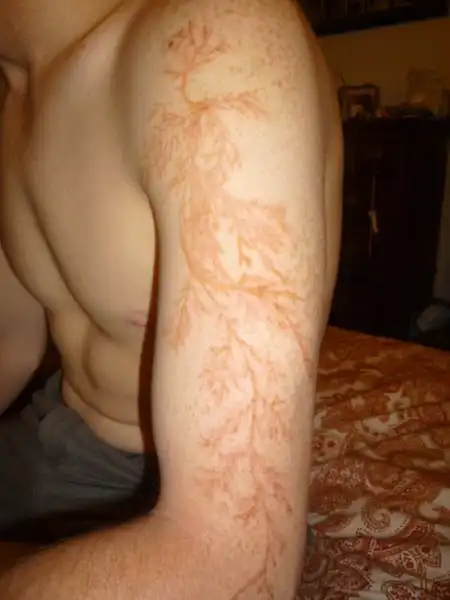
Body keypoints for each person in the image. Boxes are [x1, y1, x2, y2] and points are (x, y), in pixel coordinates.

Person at [0, 0, 342, 597]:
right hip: (49, 428)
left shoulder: (217, 43)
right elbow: (12, 346)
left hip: (152, 489)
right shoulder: (17, 94)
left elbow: (235, 565)